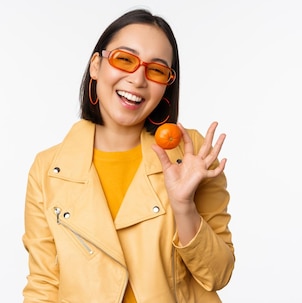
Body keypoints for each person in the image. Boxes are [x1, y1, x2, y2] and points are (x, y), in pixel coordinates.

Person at [22, 8, 235, 303]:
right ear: (96, 66)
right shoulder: (48, 169)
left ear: (166, 86)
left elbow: (218, 274)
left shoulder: (190, 155)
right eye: (125, 59)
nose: (138, 79)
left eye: (157, 70)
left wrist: (184, 206)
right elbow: (43, 284)